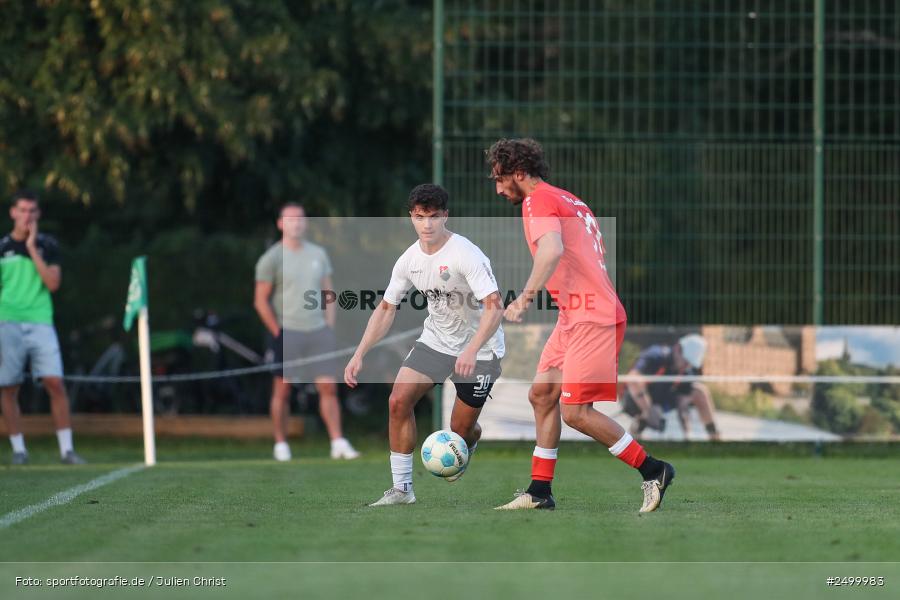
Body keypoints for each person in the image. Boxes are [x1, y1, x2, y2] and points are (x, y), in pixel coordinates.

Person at [487, 138, 674, 513]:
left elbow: (553, 250)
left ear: (519, 173)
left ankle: (654, 469)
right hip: (575, 316)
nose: (497, 187)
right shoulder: (567, 197)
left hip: (592, 317)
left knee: (576, 413)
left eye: (500, 177)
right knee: (542, 395)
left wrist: (524, 297)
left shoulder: (536, 199)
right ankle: (540, 491)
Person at [344, 184, 504, 506]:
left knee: (459, 431)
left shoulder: (465, 253)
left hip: (481, 351)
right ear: (411, 218)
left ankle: (470, 439)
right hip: (436, 342)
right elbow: (387, 308)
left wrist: (472, 349)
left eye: (433, 217)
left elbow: (495, 305)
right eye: (420, 217)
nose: (427, 224)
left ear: (445, 216)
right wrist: (359, 353)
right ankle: (402, 490)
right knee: (398, 400)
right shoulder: (408, 260)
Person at [254, 203, 359, 462]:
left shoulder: (318, 254)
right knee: (282, 390)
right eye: (290, 219)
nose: (296, 223)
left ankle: (337, 442)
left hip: (318, 332)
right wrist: (277, 332)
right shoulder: (271, 258)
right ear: (280, 224)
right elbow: (260, 300)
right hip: (286, 332)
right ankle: (281, 444)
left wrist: (328, 327)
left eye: (300, 219)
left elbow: (328, 294)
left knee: (328, 388)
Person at [0, 189, 85, 465]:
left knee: (55, 382)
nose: (27, 216)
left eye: (32, 211)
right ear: (13, 212)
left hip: (41, 322)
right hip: (8, 321)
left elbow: (52, 283)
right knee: (9, 387)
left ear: (38, 214)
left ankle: (66, 450)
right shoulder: (2, 248)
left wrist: (33, 247)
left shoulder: (48, 246)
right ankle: (19, 450)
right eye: (22, 210)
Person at [623, 334, 720, 440]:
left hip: (664, 401)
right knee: (639, 386)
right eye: (686, 361)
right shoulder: (655, 356)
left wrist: (687, 436)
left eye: (690, 363)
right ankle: (636, 432)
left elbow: (682, 405)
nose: (687, 366)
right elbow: (632, 379)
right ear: (678, 349)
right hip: (636, 400)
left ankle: (715, 437)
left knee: (699, 391)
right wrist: (649, 409)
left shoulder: (686, 372)